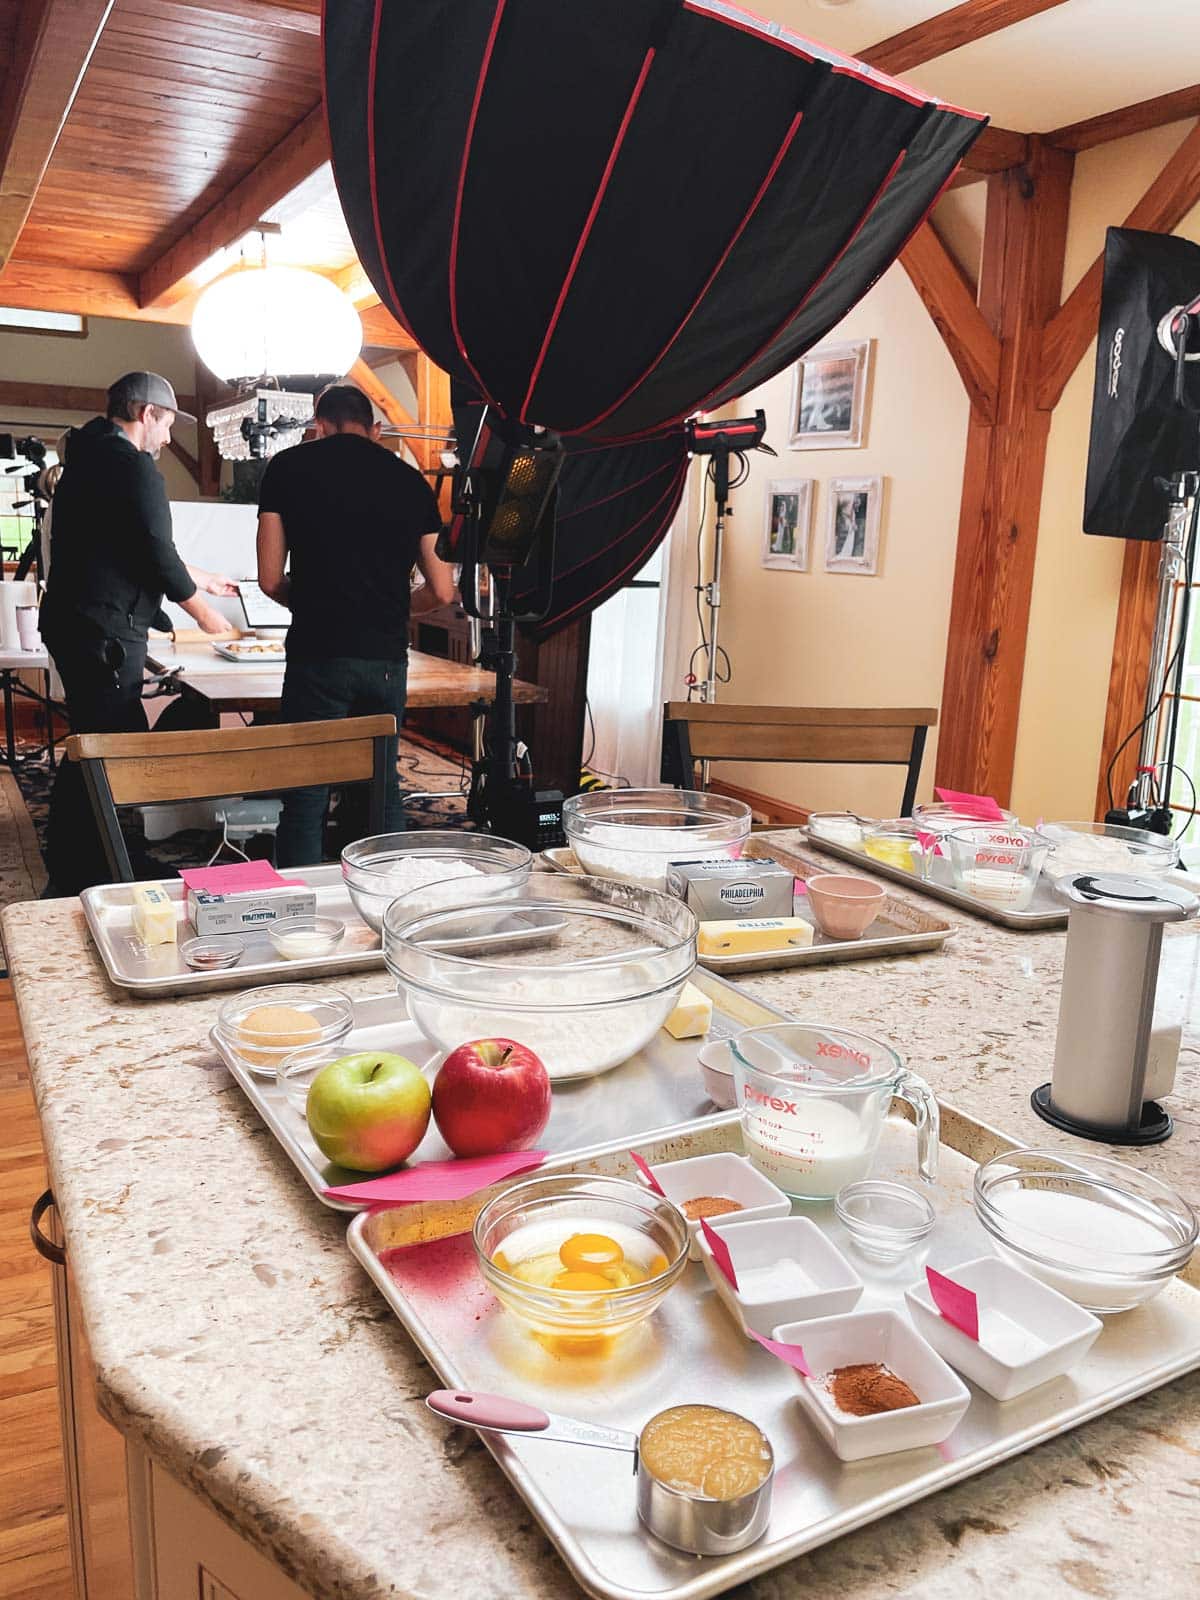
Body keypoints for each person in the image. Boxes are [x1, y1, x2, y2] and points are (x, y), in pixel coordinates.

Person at [41, 371, 235, 894]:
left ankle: (78, 858)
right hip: (103, 630)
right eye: (168, 423)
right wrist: (206, 615)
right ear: (147, 414)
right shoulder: (133, 468)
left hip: (76, 622)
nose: (169, 438)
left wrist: (201, 577)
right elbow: (153, 551)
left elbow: (132, 544)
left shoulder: (88, 458)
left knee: (93, 740)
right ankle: (90, 871)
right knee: (110, 747)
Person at [256, 382, 457, 866]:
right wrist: (389, 607)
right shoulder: (410, 482)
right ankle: (383, 900)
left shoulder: (286, 468)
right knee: (381, 791)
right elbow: (444, 590)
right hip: (384, 658)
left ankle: (301, 915)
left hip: (317, 652)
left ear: (317, 428)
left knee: (305, 794)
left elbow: (267, 578)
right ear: (376, 429)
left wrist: (309, 600)